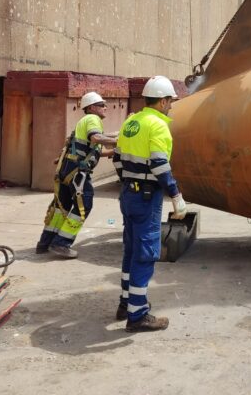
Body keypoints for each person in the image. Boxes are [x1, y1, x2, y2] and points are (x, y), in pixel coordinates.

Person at [113, 75, 187, 333]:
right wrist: (176, 195)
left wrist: (128, 183)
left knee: (131, 249)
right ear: (163, 100)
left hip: (128, 195)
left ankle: (125, 303)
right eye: (170, 102)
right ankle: (137, 315)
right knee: (145, 255)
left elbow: (117, 159)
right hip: (146, 198)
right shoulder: (157, 125)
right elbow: (159, 164)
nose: (171, 106)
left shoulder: (131, 122)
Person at [36, 92, 118, 259]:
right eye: (102, 104)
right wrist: (121, 141)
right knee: (84, 206)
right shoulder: (92, 120)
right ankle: (61, 243)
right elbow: (96, 138)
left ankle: (45, 243)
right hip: (77, 172)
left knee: (61, 208)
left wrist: (112, 151)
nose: (105, 107)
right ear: (92, 107)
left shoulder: (84, 123)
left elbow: (92, 149)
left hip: (67, 170)